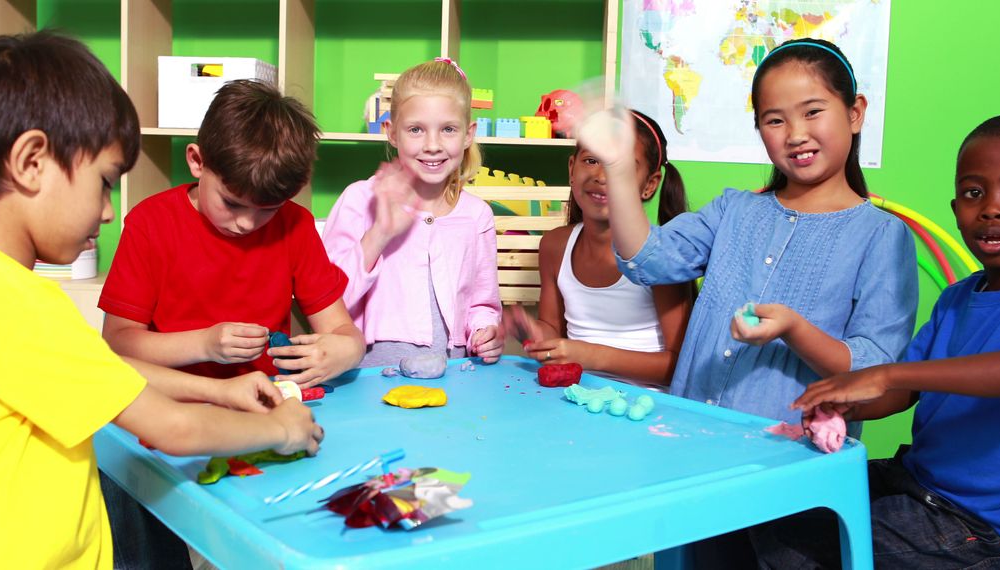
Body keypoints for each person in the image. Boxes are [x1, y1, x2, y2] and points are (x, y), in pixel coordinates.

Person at [0, 31, 323, 569]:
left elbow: (105, 372)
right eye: (105, 181)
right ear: (31, 161)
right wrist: (281, 429)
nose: (108, 211)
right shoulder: (16, 303)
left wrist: (226, 393)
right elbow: (175, 428)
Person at [579, 38, 919, 567]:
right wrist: (621, 169)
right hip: (690, 456)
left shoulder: (881, 237)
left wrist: (794, 330)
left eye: (813, 112)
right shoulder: (733, 210)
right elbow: (646, 259)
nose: (797, 134)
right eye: (774, 120)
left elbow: (875, 368)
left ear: (855, 113)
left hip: (789, 479)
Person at [756, 114, 1000, 570]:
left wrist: (885, 372)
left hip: (990, 528)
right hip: (920, 486)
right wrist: (847, 403)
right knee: (779, 505)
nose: (992, 208)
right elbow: (902, 393)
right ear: (956, 210)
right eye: (974, 193)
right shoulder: (957, 299)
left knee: (801, 546)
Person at [99, 79, 364, 387]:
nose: (247, 224)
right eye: (232, 203)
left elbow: (340, 329)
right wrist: (204, 345)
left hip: (265, 396)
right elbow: (117, 342)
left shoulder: (295, 224)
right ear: (198, 161)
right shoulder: (150, 223)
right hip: (171, 398)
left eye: (268, 209)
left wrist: (350, 348)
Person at [321, 58, 503, 367]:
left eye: (448, 129)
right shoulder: (359, 199)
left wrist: (486, 332)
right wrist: (379, 233)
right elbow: (328, 301)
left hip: (454, 378)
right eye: (416, 129)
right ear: (391, 132)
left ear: (468, 134)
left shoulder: (477, 216)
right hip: (370, 378)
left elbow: (482, 304)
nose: (432, 145)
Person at [506, 110, 691, 386]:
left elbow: (680, 367)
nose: (602, 175)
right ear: (571, 169)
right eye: (591, 160)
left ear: (649, 185)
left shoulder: (661, 256)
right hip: (577, 398)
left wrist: (592, 356)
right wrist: (530, 330)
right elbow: (552, 331)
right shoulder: (554, 246)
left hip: (648, 409)